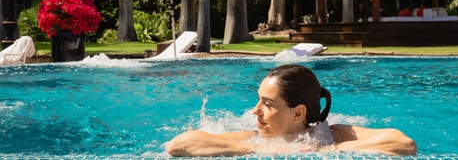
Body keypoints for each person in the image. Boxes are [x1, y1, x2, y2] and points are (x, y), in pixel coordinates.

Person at [168, 64, 417, 157]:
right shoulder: (252, 139)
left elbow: (403, 144)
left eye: (267, 104)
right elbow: (180, 145)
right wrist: (265, 150)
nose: (255, 111)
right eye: (258, 100)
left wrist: (325, 151)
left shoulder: (333, 135)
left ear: (298, 113)